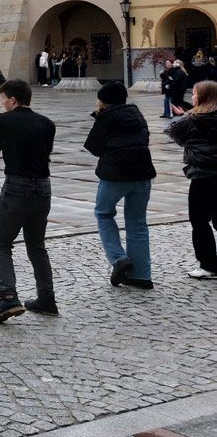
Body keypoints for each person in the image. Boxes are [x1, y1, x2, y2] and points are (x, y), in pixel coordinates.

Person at [0, 79, 58, 323]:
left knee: (1, 242)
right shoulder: (47, 124)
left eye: (3, 99)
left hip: (17, 187)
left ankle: (8, 297)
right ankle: (46, 298)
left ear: (13, 100)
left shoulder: (2, 120)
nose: (1, 103)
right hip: (44, 188)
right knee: (36, 244)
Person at [84, 82, 156, 288]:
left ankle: (119, 258)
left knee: (104, 214)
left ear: (104, 100)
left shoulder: (105, 117)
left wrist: (98, 119)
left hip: (114, 174)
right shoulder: (136, 114)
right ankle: (141, 276)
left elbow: (93, 147)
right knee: (138, 223)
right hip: (142, 173)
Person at [165, 80, 217, 280]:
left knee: (200, 221)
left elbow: (174, 133)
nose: (192, 97)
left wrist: (185, 114)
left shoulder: (191, 120)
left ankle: (208, 265)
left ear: (202, 96)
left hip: (202, 177)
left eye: (195, 94)